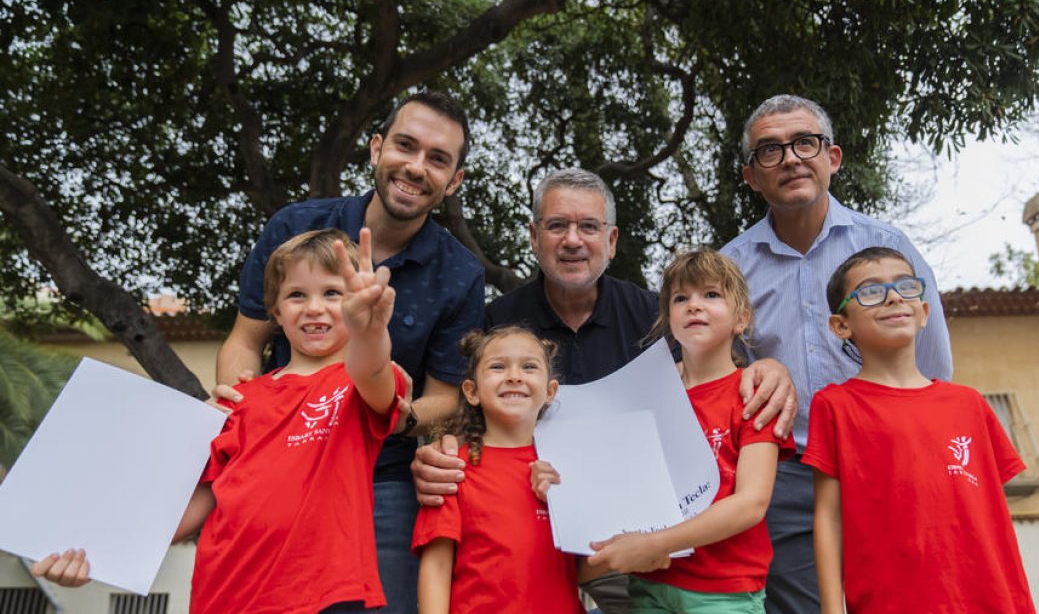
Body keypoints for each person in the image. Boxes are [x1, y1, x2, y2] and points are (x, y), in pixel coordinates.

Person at [413, 169, 797, 612]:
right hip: (524, 520)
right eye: (557, 226)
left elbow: (717, 365)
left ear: (612, 241)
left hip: (636, 546)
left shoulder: (652, 317)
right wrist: (442, 450)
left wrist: (769, 366)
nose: (573, 240)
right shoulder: (497, 321)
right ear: (534, 237)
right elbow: (462, 411)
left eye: (589, 227)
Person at [35, 228, 410, 613]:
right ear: (276, 313)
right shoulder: (237, 400)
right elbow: (188, 510)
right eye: (297, 294)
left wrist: (371, 330)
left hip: (324, 596)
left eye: (333, 293)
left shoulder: (361, 382)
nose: (314, 307)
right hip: (225, 595)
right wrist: (89, 553)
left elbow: (373, 373)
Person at [213, 91, 485, 614]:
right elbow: (246, 340)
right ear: (376, 148)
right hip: (279, 468)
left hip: (383, 480)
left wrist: (385, 417)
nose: (416, 166)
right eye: (405, 146)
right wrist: (241, 414)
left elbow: (446, 397)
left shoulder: (461, 273)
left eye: (437, 158)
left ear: (453, 182)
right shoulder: (294, 227)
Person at [721, 95, 954, 613]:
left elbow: (933, 365)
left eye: (806, 143)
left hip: (887, 463)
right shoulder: (729, 269)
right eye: (770, 151)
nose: (790, 159)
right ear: (751, 176)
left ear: (833, 158)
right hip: (785, 475)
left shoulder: (890, 251)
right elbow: (715, 377)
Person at [542, 248, 794, 613]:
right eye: (680, 298)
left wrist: (654, 543)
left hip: (723, 590)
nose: (694, 305)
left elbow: (751, 504)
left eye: (711, 294)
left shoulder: (755, 394)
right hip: (650, 584)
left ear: (742, 318)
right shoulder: (646, 394)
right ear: (668, 318)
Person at [804, 247, 1034, 613]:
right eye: (870, 290)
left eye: (906, 287)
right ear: (841, 325)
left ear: (924, 312)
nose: (894, 296)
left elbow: (992, 513)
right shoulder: (834, 406)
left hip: (991, 599)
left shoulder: (969, 404)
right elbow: (828, 518)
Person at [413, 325, 613, 613]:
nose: (514, 376)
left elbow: (584, 566)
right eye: (498, 366)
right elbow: (437, 566)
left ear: (550, 391)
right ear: (471, 391)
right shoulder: (450, 467)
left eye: (529, 366)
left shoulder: (565, 470)